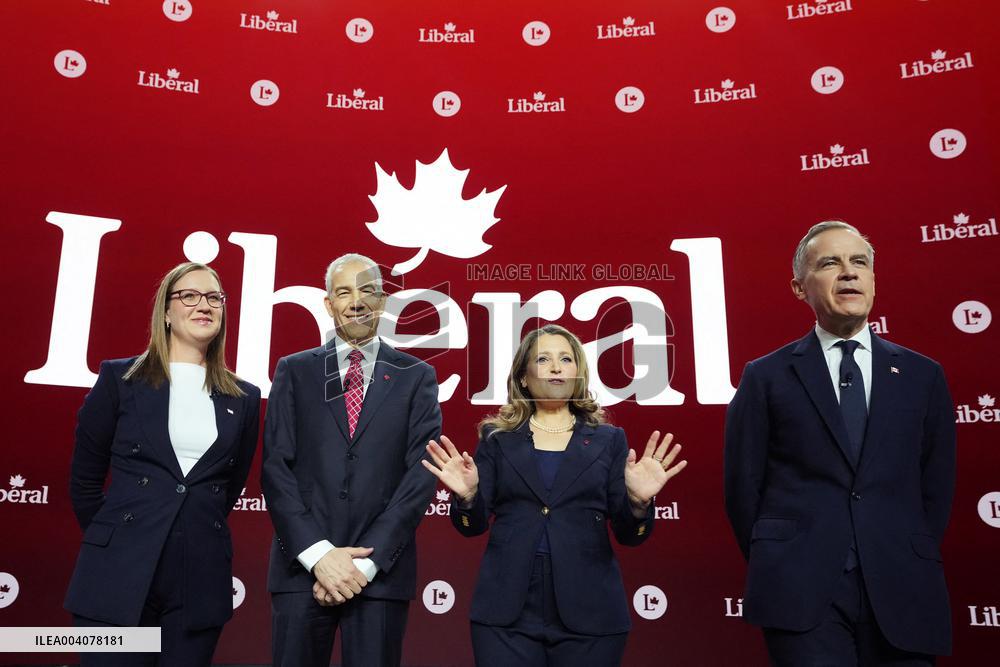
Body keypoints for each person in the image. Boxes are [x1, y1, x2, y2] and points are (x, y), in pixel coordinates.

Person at [724, 221, 957, 665]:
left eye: (859, 263)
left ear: (872, 279)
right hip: (800, 592)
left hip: (902, 586)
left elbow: (936, 486)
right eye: (830, 263)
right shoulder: (765, 377)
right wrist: (783, 556)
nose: (848, 273)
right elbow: (743, 489)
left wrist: (901, 548)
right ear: (799, 287)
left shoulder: (923, 376)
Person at [422, 324, 686, 667]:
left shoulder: (609, 440)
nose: (557, 367)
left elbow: (628, 534)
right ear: (523, 378)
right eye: (543, 359)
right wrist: (468, 497)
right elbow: (471, 527)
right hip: (506, 610)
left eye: (566, 359)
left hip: (591, 610)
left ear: (579, 373)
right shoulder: (496, 439)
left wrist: (638, 503)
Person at [65, 262, 262, 666]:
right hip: (118, 573)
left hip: (199, 578)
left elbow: (227, 488)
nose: (203, 305)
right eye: (188, 296)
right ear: (166, 312)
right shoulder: (119, 379)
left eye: (214, 298)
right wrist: (119, 539)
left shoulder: (244, 397)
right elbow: (84, 481)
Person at [262, 253, 441, 667]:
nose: (356, 302)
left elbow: (420, 476)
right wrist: (319, 555)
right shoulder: (295, 370)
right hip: (300, 571)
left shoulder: (417, 376)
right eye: (344, 292)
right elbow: (276, 469)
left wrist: (364, 566)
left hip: (379, 576)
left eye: (367, 291)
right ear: (328, 304)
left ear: (382, 302)